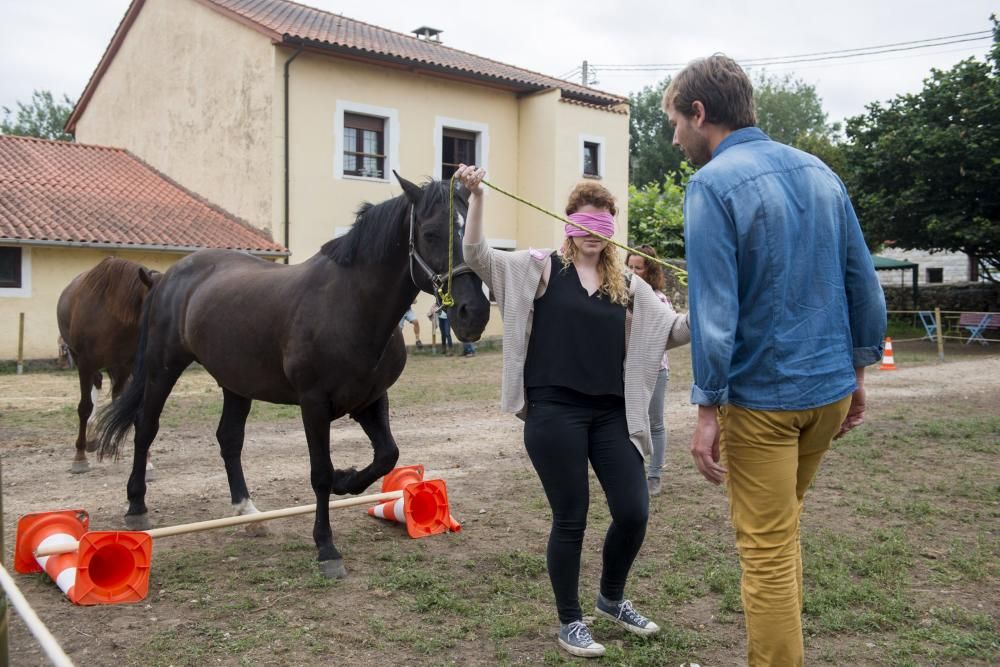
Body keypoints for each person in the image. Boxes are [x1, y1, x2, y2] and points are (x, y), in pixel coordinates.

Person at [663, 55, 886, 666]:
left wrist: (706, 408)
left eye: (675, 122)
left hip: (762, 402)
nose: (675, 138)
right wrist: (859, 372)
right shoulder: (821, 172)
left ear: (700, 113)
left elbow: (714, 312)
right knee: (781, 534)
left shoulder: (711, 185)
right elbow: (862, 283)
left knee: (765, 550)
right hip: (829, 390)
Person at [456, 164, 690, 659]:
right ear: (568, 223)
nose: (591, 235)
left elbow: (674, 330)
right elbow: (476, 255)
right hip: (554, 410)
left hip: (611, 414)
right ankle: (570, 621)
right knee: (572, 517)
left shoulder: (629, 283)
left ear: (612, 230)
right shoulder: (538, 267)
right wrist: (475, 197)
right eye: (583, 225)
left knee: (633, 511)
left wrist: (719, 299)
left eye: (602, 227)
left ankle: (611, 599)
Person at [625, 247, 671, 497]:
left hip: (655, 370)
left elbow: (665, 331)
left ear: (650, 271)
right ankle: (633, 475)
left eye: (638, 268)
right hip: (627, 370)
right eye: (629, 267)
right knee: (629, 423)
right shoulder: (619, 296)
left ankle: (654, 476)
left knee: (654, 424)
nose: (632, 272)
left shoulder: (658, 299)